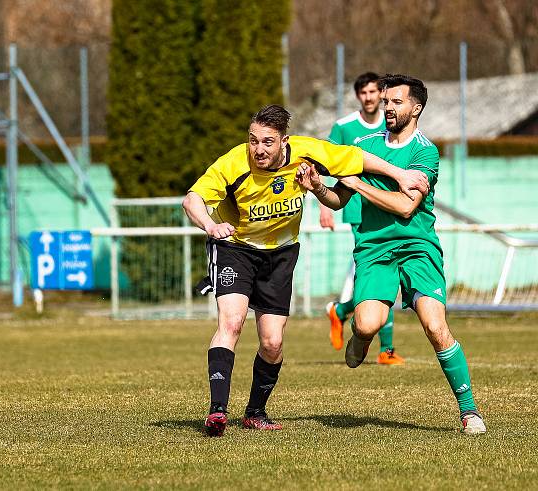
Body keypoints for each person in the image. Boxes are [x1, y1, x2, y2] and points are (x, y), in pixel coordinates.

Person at [182, 103, 429, 437]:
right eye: (253, 140)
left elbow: (357, 159)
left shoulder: (308, 152)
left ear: (285, 140)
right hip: (235, 249)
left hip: (280, 255)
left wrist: (400, 175)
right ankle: (217, 412)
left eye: (267, 141)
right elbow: (192, 199)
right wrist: (210, 225)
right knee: (232, 322)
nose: (258, 149)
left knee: (272, 342)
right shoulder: (233, 162)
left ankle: (255, 412)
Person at [295, 74, 486, 434]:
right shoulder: (364, 146)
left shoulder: (424, 151)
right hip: (374, 248)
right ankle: (358, 336)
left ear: (416, 108)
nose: (388, 108)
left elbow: (404, 206)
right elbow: (339, 200)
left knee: (435, 326)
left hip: (418, 248)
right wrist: (319, 187)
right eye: (386, 102)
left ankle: (469, 411)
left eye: (397, 102)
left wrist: (357, 182)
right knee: (367, 323)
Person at [320, 72, 404, 365]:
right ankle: (386, 350)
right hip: (358, 210)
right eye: (364, 93)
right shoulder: (344, 128)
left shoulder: (393, 124)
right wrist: (325, 207)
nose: (369, 98)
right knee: (382, 275)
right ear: (358, 96)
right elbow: (328, 164)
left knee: (382, 277)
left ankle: (341, 312)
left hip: (390, 209)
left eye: (373, 92)